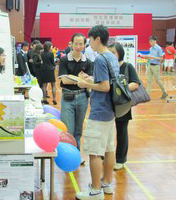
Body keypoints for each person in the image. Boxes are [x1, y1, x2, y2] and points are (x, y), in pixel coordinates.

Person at [75, 25, 119, 200]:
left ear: (97, 39)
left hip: (100, 111)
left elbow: (105, 87)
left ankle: (95, 190)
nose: (88, 44)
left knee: (94, 152)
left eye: (90, 40)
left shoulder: (100, 59)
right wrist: (91, 79)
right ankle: (107, 184)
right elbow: (107, 81)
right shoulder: (112, 57)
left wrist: (86, 84)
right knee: (109, 149)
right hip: (110, 111)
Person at [58, 33, 93, 152]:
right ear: (71, 44)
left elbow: (90, 80)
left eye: (81, 44)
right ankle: (69, 153)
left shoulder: (87, 62)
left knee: (78, 130)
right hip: (67, 97)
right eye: (76, 43)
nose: (78, 46)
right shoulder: (63, 60)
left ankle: (76, 153)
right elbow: (64, 80)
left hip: (83, 98)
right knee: (69, 130)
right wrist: (80, 79)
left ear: (84, 45)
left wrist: (72, 78)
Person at [108, 43, 140, 170]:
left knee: (121, 132)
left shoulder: (127, 66)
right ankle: (107, 156)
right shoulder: (107, 67)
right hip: (108, 104)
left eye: (113, 53)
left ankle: (120, 159)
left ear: (120, 54)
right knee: (107, 131)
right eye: (109, 53)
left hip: (123, 105)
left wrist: (122, 88)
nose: (111, 55)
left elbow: (136, 83)